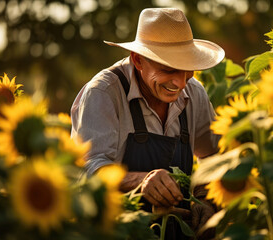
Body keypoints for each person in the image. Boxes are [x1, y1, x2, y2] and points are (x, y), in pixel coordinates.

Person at [71, 7, 225, 239]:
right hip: (117, 231)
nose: (181, 83)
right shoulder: (104, 93)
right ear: (138, 60)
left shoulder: (195, 93)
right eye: (169, 70)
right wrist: (141, 179)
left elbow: (215, 155)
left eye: (188, 71)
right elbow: (89, 169)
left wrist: (205, 198)